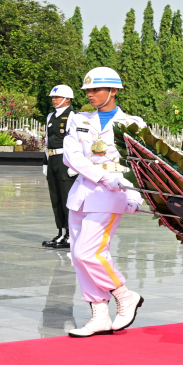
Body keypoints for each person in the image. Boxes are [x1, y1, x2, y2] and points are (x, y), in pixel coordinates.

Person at [62, 67, 145, 338]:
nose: (90, 94)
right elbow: (71, 156)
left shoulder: (132, 123)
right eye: (87, 90)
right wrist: (101, 176)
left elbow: (139, 165)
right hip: (83, 192)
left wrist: (134, 194)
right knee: (79, 256)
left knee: (89, 251)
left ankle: (124, 294)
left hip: (111, 196)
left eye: (96, 89)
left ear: (114, 91)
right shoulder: (80, 119)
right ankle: (99, 314)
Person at [41, 85, 78, 249]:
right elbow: (47, 141)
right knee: (55, 198)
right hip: (53, 158)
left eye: (57, 97)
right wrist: (45, 161)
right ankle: (61, 232)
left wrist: (74, 164)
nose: (53, 99)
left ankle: (71, 234)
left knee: (67, 198)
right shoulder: (50, 116)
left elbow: (76, 141)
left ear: (67, 99)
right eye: (53, 97)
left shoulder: (73, 116)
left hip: (65, 159)